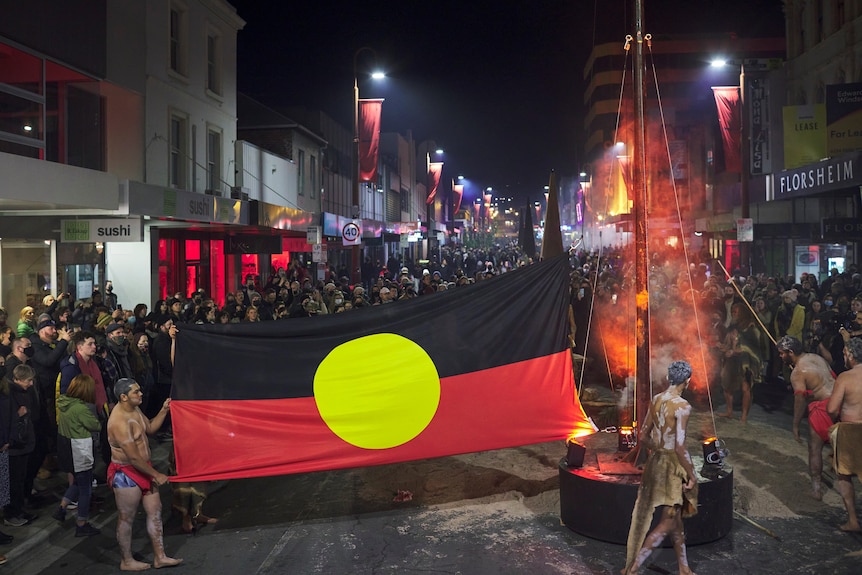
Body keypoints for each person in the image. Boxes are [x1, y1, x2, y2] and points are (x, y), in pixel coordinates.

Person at [623, 360, 698, 575]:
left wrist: (658, 450)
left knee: (675, 518)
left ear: (669, 378)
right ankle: (633, 568)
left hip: (656, 462)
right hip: (672, 467)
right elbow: (680, 446)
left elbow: (643, 435)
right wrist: (692, 475)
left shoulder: (657, 399)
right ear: (688, 381)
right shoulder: (683, 406)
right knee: (668, 520)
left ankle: (684, 568)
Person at [107, 378, 181, 571]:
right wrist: (156, 474)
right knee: (127, 517)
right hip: (127, 473)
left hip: (144, 467)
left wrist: (164, 409)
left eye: (139, 390)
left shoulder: (135, 409)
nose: (141, 394)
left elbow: (149, 428)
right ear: (123, 397)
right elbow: (133, 458)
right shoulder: (119, 422)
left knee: (155, 510)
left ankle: (160, 556)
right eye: (136, 392)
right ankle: (127, 560)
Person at [776, 335, 835, 500]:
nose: (780, 357)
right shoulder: (815, 357)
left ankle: (816, 489)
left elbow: (799, 400)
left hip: (823, 408)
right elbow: (830, 372)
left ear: (791, 352)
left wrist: (795, 425)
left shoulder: (798, 372)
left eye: (782, 353)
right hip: (839, 402)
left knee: (814, 448)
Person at [52, 374, 101, 536]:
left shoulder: (64, 403)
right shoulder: (80, 408)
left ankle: (62, 507)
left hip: (66, 449)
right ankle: (81, 523)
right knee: (85, 488)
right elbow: (95, 425)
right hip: (80, 450)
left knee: (78, 482)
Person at [827, 338, 862, 531]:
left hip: (850, 431)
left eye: (844, 354)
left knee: (844, 476)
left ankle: (853, 521)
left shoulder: (845, 378)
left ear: (849, 354)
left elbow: (832, 408)